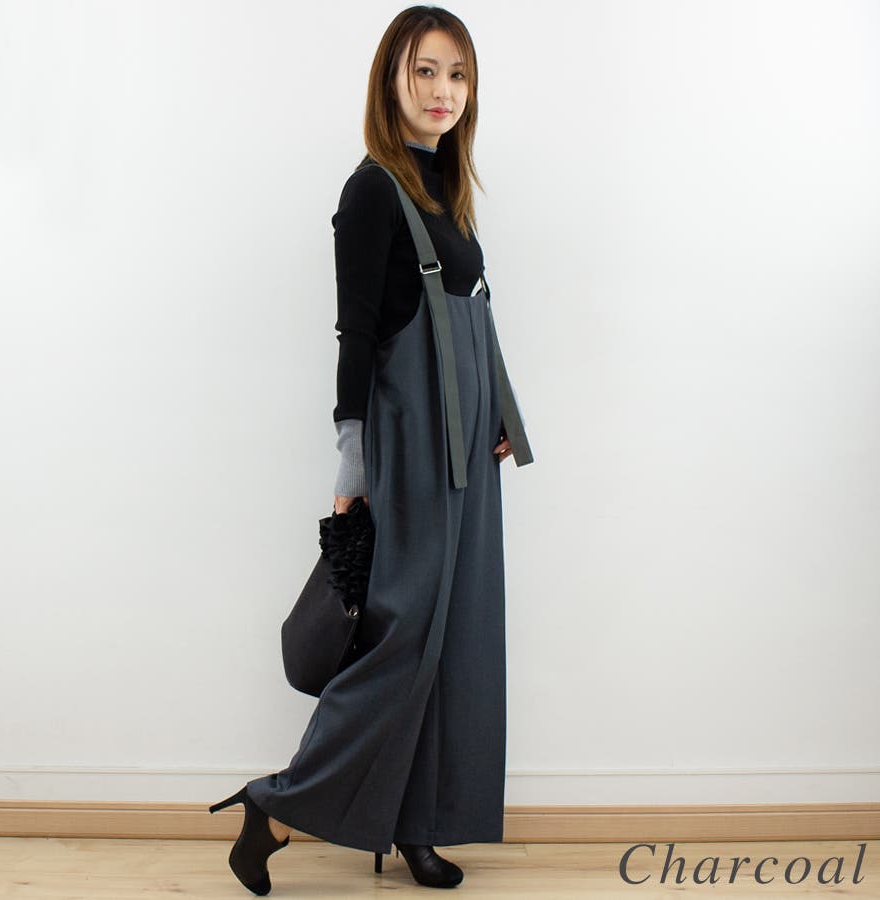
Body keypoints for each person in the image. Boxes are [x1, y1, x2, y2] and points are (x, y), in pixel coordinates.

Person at [209, 5, 533, 895]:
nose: (443, 91)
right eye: (425, 70)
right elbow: (356, 336)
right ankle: (276, 803)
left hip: (468, 448)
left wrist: (500, 414)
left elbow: (473, 319)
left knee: (456, 639)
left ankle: (418, 825)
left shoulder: (448, 189)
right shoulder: (372, 191)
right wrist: (351, 469)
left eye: (458, 74)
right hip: (411, 448)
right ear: (391, 79)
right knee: (402, 640)